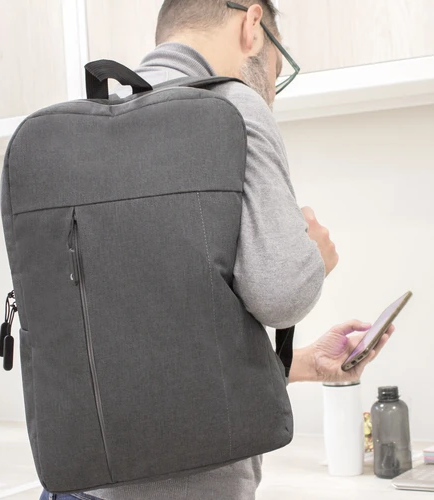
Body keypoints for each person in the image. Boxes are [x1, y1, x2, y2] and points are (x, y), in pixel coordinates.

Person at [40, 1, 394, 499]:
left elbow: (153, 344)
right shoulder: (233, 104)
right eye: (276, 69)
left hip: (74, 484)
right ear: (252, 26)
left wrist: (302, 363)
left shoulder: (78, 130)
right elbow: (281, 294)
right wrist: (313, 255)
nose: (270, 90)